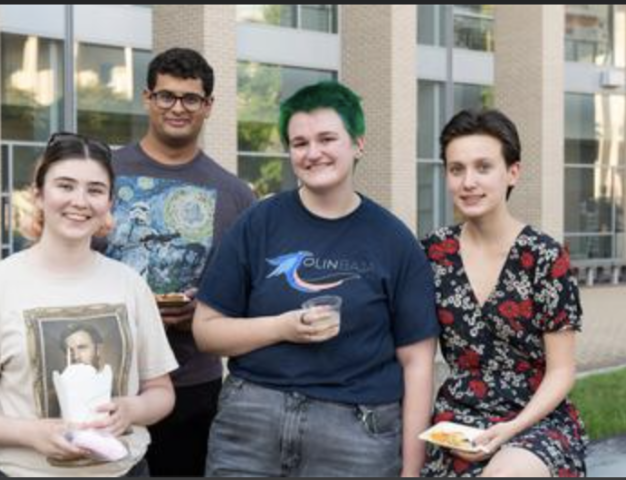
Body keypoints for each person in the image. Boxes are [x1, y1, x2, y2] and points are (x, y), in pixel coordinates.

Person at [193, 81, 440, 477]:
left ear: (358, 144)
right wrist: (282, 327)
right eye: (299, 142)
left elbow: (418, 363)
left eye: (327, 138)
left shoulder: (394, 240)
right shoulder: (258, 223)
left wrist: (412, 471)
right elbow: (206, 331)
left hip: (355, 432)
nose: (313, 153)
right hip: (252, 421)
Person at [0, 132, 178, 477]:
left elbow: (161, 392)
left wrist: (131, 410)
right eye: (65, 186)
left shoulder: (130, 283)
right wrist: (30, 433)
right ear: (38, 194)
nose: (79, 201)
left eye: (95, 190)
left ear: (109, 202)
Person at [103, 47, 255, 477]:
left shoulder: (236, 195)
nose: (177, 108)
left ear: (208, 106)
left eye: (190, 98)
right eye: (166, 96)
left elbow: (248, 295)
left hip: (192, 383)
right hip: (106, 378)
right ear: (147, 97)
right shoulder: (102, 173)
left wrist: (203, 311)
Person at [421, 109, 588, 477]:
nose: (468, 182)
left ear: (513, 172)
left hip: (535, 418)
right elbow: (417, 355)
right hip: (459, 421)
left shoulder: (544, 256)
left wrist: (510, 429)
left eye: (483, 167)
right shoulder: (433, 253)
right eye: (456, 169)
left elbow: (562, 371)